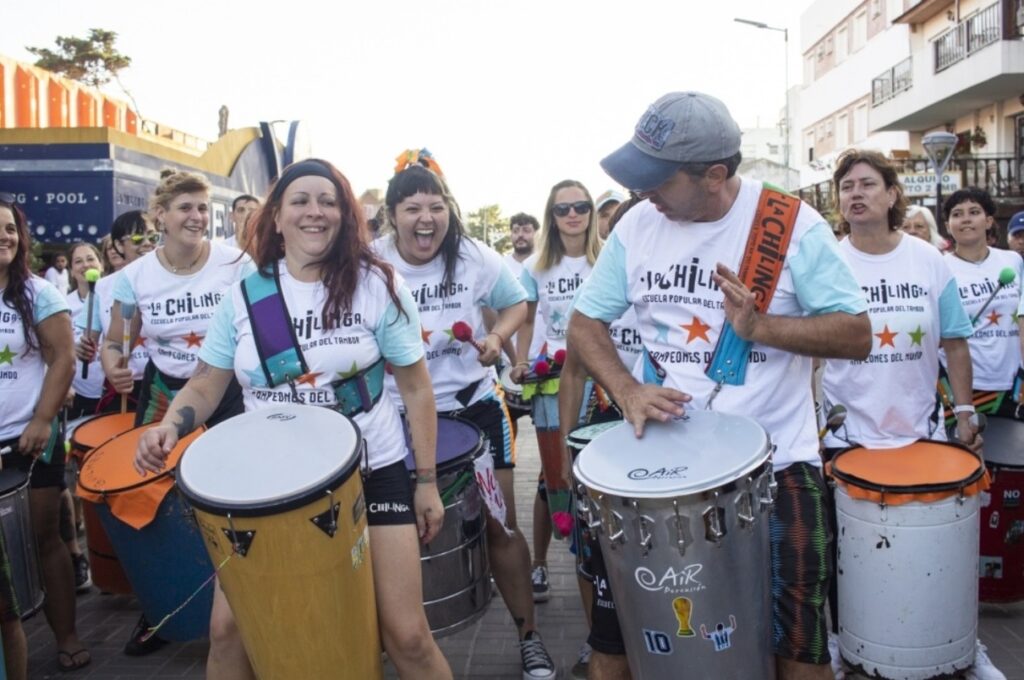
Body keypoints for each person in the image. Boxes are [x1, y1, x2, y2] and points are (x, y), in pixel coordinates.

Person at [568, 91, 871, 680]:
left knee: (798, 650)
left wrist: (761, 327)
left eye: (656, 179)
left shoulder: (789, 224)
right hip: (661, 470)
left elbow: (857, 334)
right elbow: (585, 323)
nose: (641, 192)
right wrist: (628, 390)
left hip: (778, 466)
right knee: (622, 640)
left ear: (713, 175)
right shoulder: (637, 227)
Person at [134, 158, 453, 680]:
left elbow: (416, 388)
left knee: (407, 634)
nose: (315, 212)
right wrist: (171, 424)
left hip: (372, 472)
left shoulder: (378, 285)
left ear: (344, 216)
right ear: (277, 217)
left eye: (328, 201)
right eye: (301, 201)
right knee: (228, 632)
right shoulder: (244, 295)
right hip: (268, 482)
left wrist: (427, 482)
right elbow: (208, 381)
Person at [818, 151, 1000, 679]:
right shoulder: (827, 260)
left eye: (868, 183)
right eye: (846, 185)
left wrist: (964, 412)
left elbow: (956, 342)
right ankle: (841, 639)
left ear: (893, 194)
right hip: (848, 435)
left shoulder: (927, 258)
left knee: (942, 548)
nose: (856, 193)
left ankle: (965, 643)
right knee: (845, 554)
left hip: (921, 433)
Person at [375, 158, 556, 680]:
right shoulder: (370, 263)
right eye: (413, 208)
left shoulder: (475, 256)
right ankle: (399, 644)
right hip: (394, 416)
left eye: (436, 206)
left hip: (475, 406)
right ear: (393, 215)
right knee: (395, 534)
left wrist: (497, 339)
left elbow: (517, 303)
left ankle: (529, 639)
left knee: (501, 525)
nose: (426, 218)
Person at [100, 171, 250, 656]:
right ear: (159, 216)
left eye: (203, 209)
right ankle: (162, 606)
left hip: (230, 393)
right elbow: (114, 343)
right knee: (156, 498)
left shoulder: (236, 264)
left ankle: (245, 599)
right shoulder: (133, 278)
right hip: (166, 393)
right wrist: (115, 368)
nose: (197, 217)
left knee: (236, 494)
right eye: (185, 207)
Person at [0, 196, 87, 673]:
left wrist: (40, 420)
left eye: (10, 229)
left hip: (30, 441)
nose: (5, 238)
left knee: (43, 538)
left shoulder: (39, 293)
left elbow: (63, 359)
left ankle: (68, 636)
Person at [511, 180, 602, 608]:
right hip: (550, 381)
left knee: (597, 474)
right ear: (552, 214)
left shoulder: (606, 260)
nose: (573, 214)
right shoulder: (535, 267)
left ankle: (601, 566)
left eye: (581, 206)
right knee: (552, 478)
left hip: (598, 382)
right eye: (563, 208)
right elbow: (528, 322)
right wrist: (520, 359)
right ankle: (541, 563)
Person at [940, 188, 1024, 423]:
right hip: (965, 387)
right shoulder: (939, 267)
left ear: (988, 221)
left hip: (1014, 384)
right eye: (957, 214)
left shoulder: (1013, 261)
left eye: (974, 212)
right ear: (948, 226)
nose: (966, 219)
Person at [78, 211, 159, 413]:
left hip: (164, 385)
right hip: (124, 388)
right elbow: (92, 341)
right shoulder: (101, 288)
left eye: (153, 237)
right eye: (138, 238)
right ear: (118, 245)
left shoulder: (172, 281)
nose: (148, 243)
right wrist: (82, 349)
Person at [65, 243, 106, 419]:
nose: (86, 265)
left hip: (112, 391)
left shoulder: (115, 296)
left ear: (101, 264)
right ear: (72, 271)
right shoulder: (63, 304)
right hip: (78, 392)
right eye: (78, 261)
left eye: (91, 259)